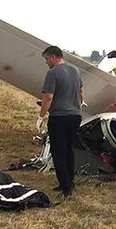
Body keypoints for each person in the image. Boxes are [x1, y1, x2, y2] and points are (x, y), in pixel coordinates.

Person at [37, 45, 84, 198]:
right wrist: (77, 104)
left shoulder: (52, 73)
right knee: (69, 150)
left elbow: (48, 97)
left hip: (59, 117)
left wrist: (41, 116)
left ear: (52, 57)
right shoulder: (75, 70)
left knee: (58, 152)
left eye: (46, 59)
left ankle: (66, 188)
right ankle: (70, 182)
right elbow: (81, 92)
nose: (46, 63)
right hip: (75, 116)